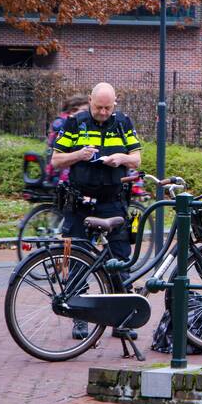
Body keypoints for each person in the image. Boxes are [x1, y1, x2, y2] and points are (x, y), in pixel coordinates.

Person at [50, 82, 142, 338]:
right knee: (78, 257)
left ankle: (122, 319)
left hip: (112, 200)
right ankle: (80, 317)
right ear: (90, 101)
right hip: (80, 200)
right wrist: (78, 155)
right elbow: (56, 160)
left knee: (120, 258)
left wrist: (121, 159)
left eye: (107, 107)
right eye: (98, 107)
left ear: (116, 102)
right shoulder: (74, 124)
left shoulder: (123, 122)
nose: (103, 112)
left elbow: (137, 158)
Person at [44, 94, 89, 186]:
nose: (87, 114)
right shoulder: (64, 123)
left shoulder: (65, 121)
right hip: (61, 171)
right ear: (73, 110)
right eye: (85, 111)